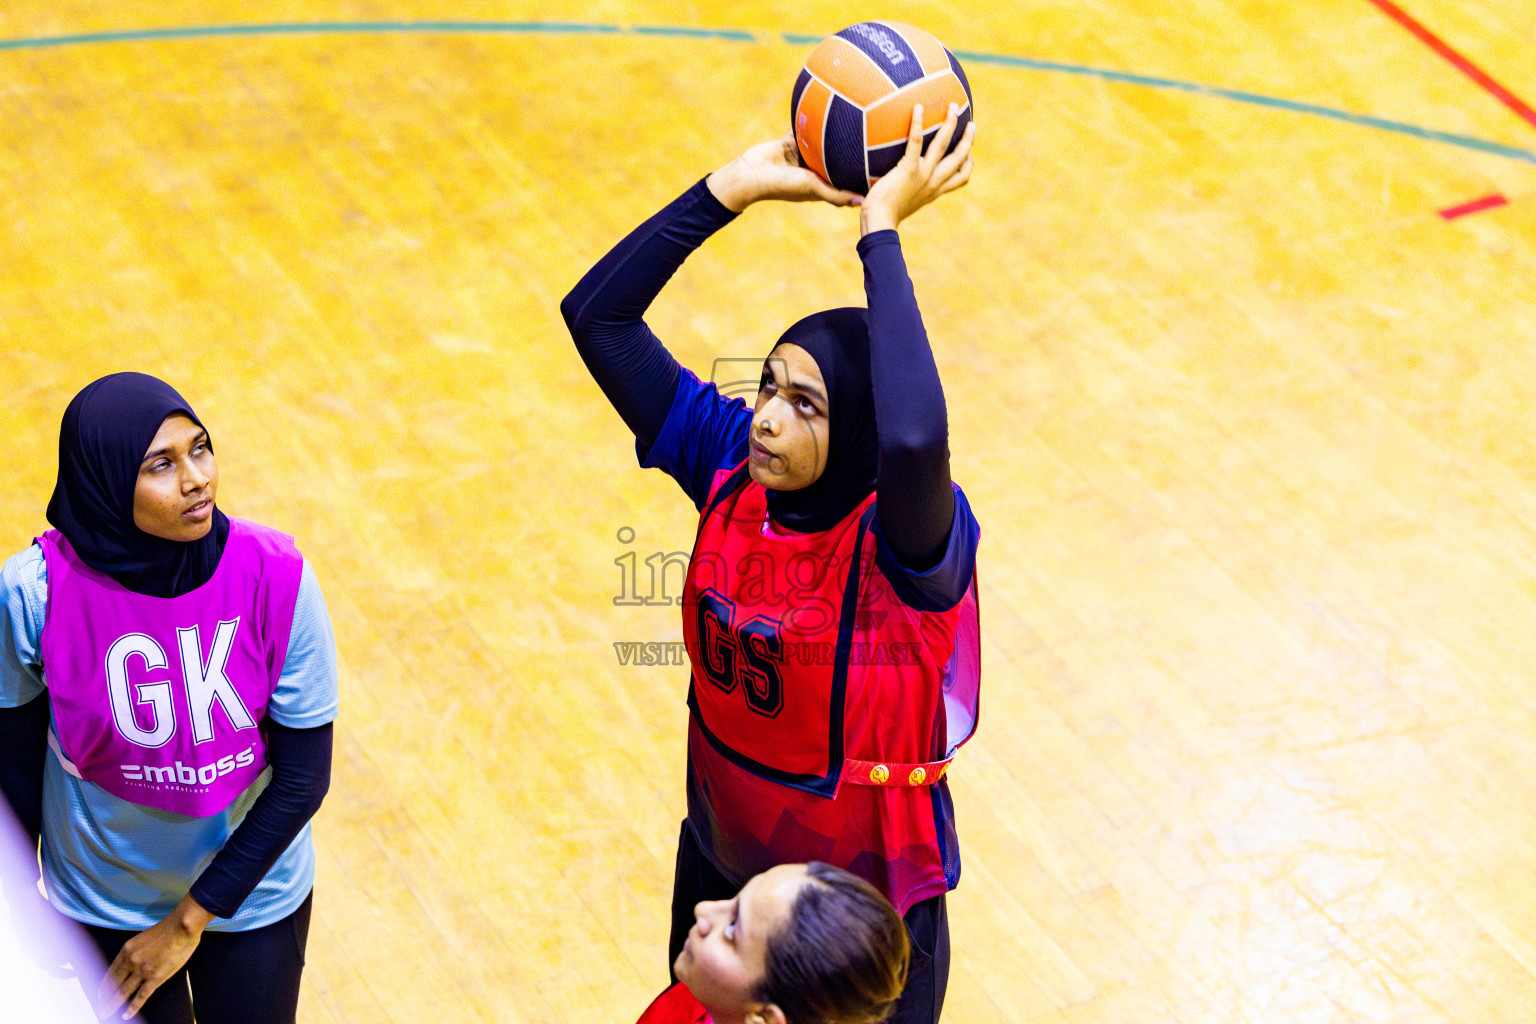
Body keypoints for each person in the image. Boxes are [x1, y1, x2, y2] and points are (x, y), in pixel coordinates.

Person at [562, 104, 981, 1024]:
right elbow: (597, 318)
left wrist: (881, 236)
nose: (767, 418)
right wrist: (729, 191)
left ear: (858, 437)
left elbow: (914, 438)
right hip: (730, 878)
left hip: (854, 922)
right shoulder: (726, 468)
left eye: (807, 405)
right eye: (768, 386)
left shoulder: (904, 551)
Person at [0, 372, 338, 1024]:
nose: (197, 479)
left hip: (254, 892)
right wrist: (20, 907)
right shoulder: (33, 593)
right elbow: (12, 762)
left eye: (201, 448)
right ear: (102, 482)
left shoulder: (277, 574)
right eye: (162, 464)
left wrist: (185, 924)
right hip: (104, 900)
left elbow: (302, 779)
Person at [636, 860, 910, 1024]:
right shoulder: (704, 997)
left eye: (732, 930)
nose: (704, 910)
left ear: (765, 1017)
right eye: (736, 898)